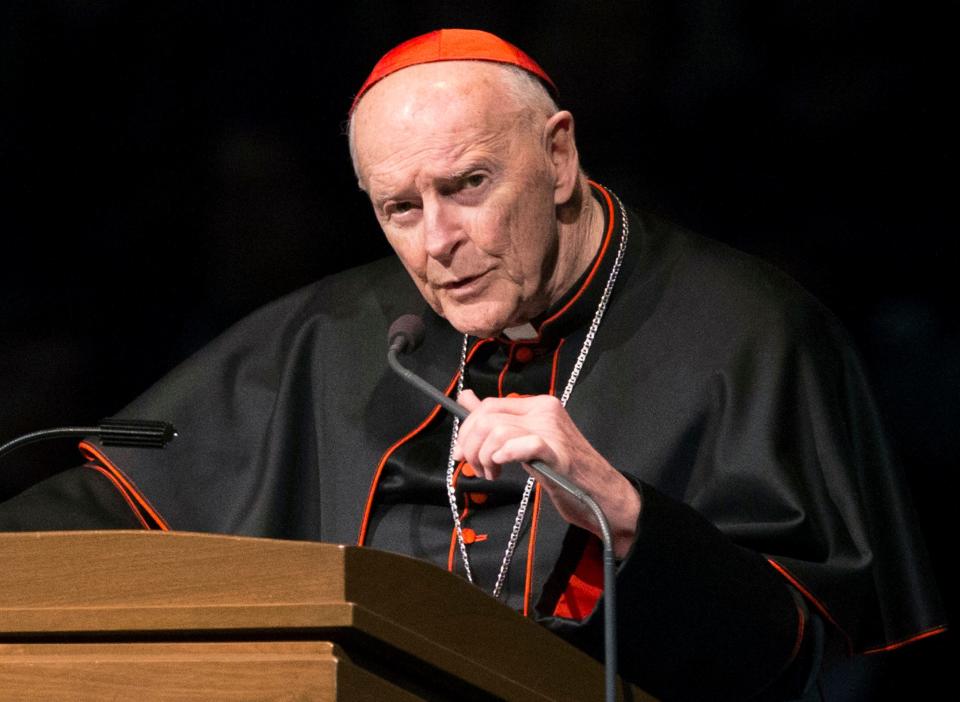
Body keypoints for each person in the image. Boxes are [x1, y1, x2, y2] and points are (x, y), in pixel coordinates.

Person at [0, 29, 945, 700]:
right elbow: (103, 516)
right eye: (400, 208)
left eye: (469, 186)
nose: (438, 243)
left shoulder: (751, 331)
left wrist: (626, 518)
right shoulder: (335, 330)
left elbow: (822, 663)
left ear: (561, 155)